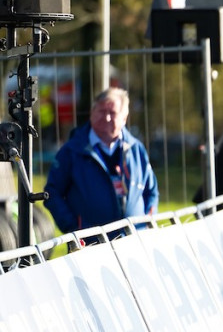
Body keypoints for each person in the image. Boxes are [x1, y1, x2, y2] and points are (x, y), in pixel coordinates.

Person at [44, 87, 158, 234]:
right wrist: (74, 227)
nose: (107, 117)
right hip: (91, 246)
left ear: (124, 118)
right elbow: (52, 193)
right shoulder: (72, 151)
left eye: (112, 113)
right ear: (92, 113)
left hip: (135, 243)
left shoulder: (136, 149)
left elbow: (152, 191)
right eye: (102, 111)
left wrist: (147, 221)